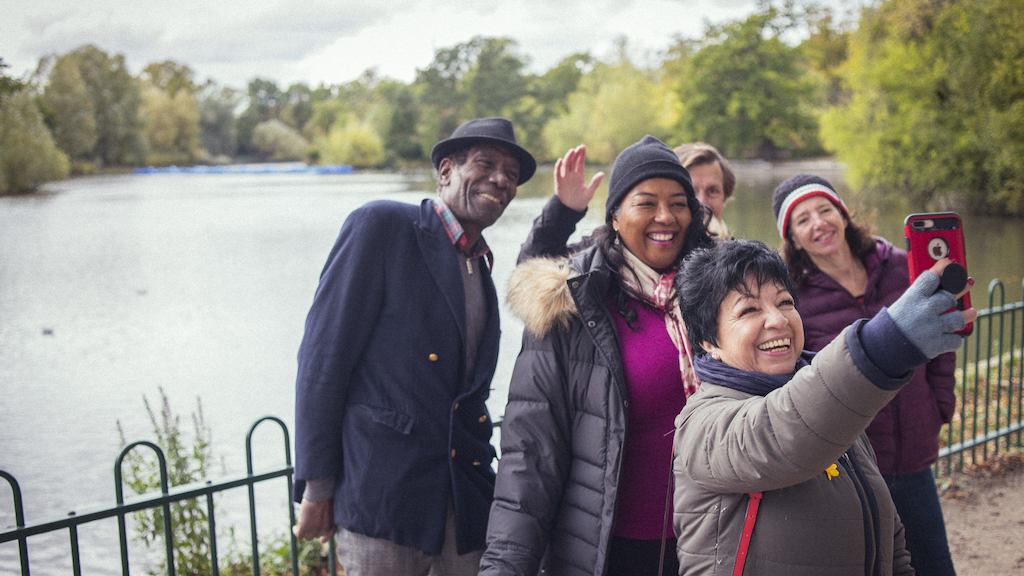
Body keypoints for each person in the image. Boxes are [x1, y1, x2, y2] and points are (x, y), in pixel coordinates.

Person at [292, 117, 536, 575]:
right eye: (485, 164)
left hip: (462, 506)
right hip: (384, 504)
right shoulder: (383, 226)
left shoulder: (480, 267)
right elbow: (323, 361)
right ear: (445, 170)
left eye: (511, 174)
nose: (501, 179)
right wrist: (317, 487)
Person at [480, 135, 714, 576]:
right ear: (615, 215)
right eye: (646, 202)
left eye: (678, 202)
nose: (665, 216)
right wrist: (506, 566)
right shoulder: (572, 302)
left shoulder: (723, 294)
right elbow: (530, 456)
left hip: (718, 541)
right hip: (610, 551)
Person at [672, 239, 975, 575]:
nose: (778, 320)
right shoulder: (703, 424)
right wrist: (884, 346)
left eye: (785, 302)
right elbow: (781, 433)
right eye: (749, 310)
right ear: (709, 342)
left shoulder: (836, 411)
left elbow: (888, 537)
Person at [772, 174, 958, 575]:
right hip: (852, 459)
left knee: (933, 563)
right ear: (793, 238)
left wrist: (940, 404)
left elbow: (943, 329)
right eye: (802, 220)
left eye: (824, 210)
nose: (818, 223)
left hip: (913, 455)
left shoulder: (898, 265)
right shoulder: (795, 297)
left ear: (842, 214)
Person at [674, 142, 736, 239]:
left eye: (712, 191)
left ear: (725, 198)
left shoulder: (747, 253)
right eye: (690, 192)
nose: (701, 202)